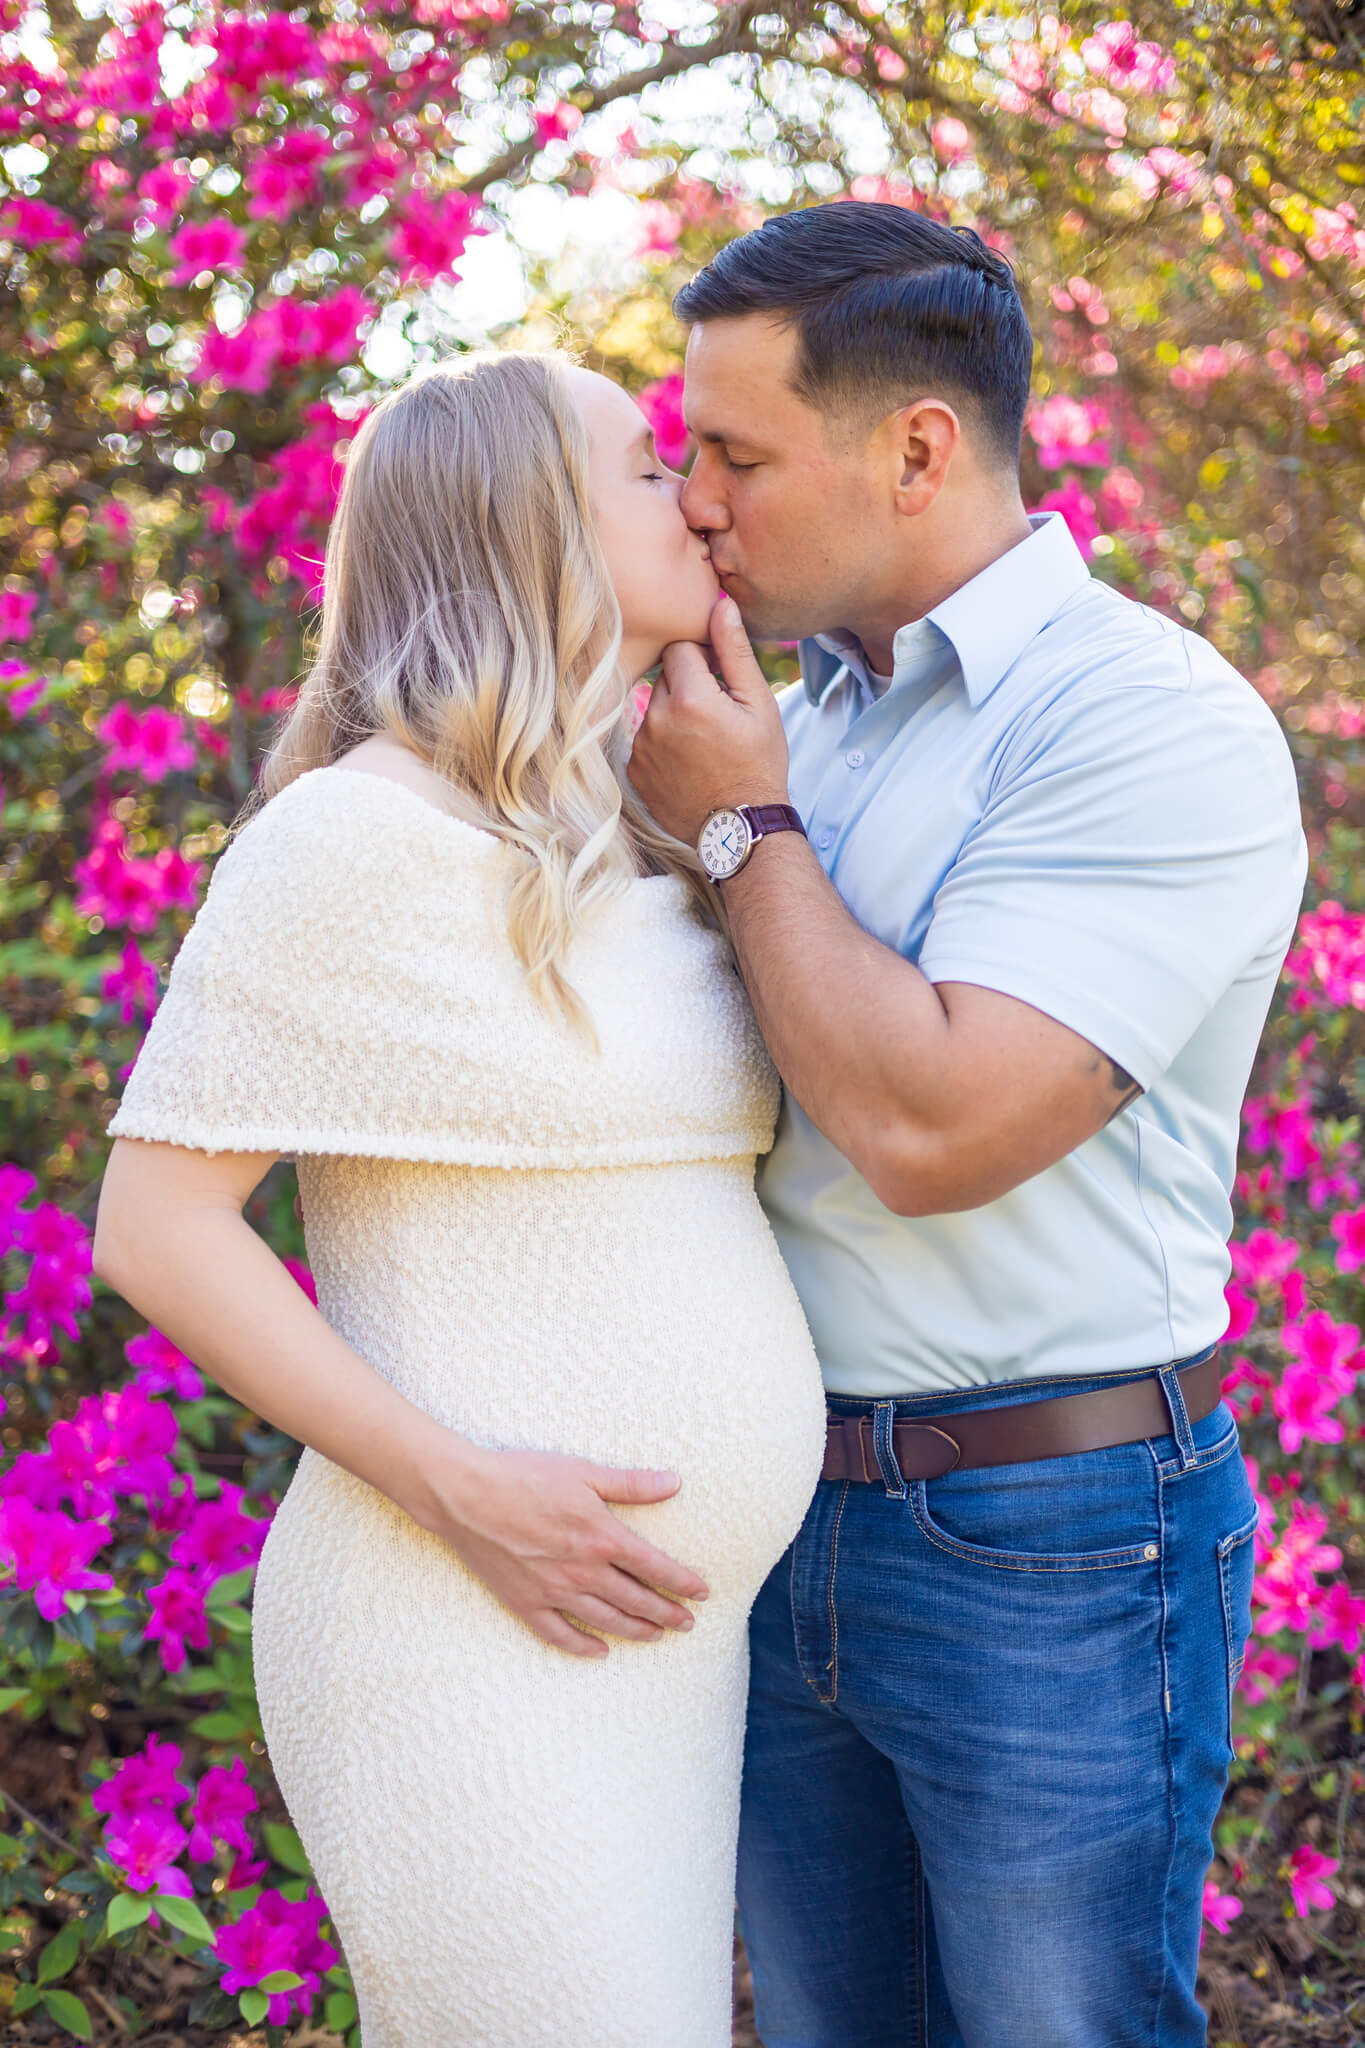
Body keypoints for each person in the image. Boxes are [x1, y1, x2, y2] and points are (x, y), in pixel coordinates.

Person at [628, 200, 1309, 2048]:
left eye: (735, 455)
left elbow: (933, 1129)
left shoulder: (1141, 724)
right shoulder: (794, 720)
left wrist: (741, 838)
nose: (695, 501)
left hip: (1044, 1538)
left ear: (915, 448)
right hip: (768, 1518)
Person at [92, 349, 828, 2048]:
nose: (698, 499)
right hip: (454, 1616)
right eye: (649, 470)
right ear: (527, 528)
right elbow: (156, 1226)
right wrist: (465, 1488)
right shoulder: (344, 844)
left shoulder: (635, 844)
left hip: (659, 1649)